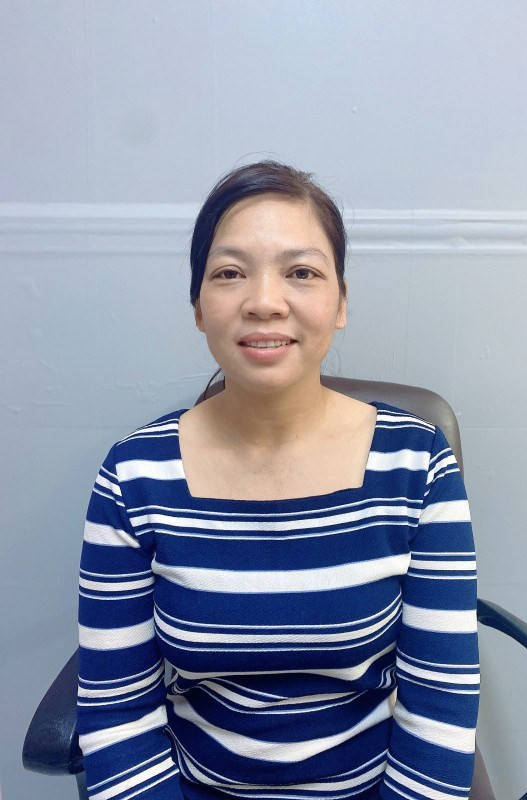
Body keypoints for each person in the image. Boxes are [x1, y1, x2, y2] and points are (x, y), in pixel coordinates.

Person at [77, 161, 479, 800]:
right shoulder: (134, 474)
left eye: (302, 272)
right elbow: (116, 709)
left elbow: (441, 701)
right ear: (198, 307)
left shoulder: (415, 461)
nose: (264, 301)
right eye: (229, 273)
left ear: (340, 303)